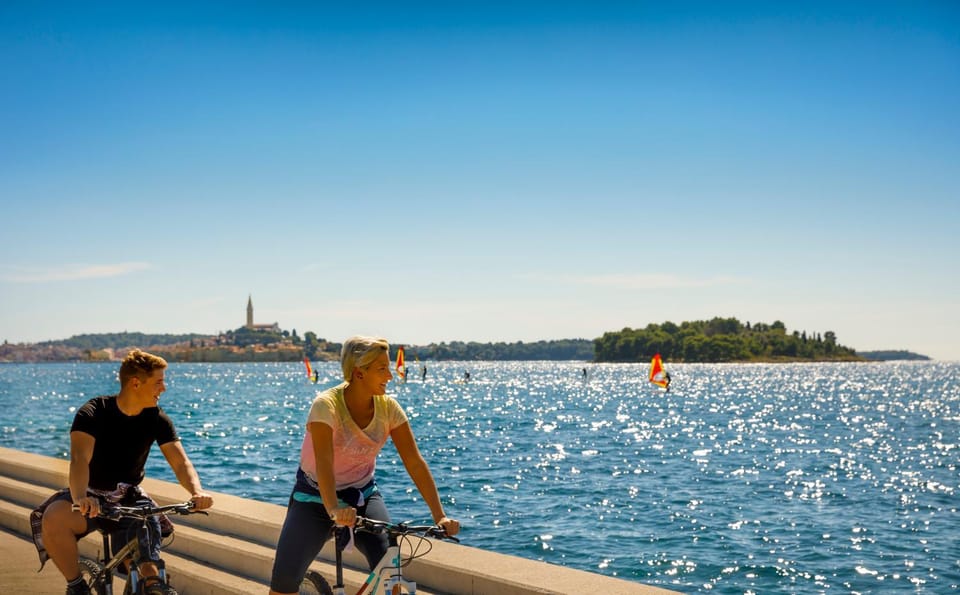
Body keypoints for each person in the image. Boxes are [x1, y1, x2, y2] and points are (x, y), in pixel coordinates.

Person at [268, 336, 460, 595]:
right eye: (382, 368)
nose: (390, 376)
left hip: (363, 494)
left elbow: (414, 462)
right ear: (359, 373)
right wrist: (334, 507)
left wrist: (439, 515)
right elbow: (324, 463)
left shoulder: (389, 408)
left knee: (391, 576)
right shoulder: (327, 405)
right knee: (284, 581)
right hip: (313, 496)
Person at [32, 349, 214, 595]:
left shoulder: (157, 419)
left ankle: (151, 586)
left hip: (129, 500)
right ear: (135, 383)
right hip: (89, 497)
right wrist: (80, 498)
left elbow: (181, 463)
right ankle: (76, 585)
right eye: (159, 382)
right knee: (53, 517)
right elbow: (79, 460)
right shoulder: (94, 412)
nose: (164, 389)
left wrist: (196, 491)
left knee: (148, 567)